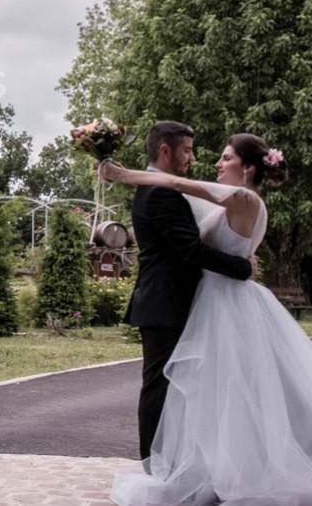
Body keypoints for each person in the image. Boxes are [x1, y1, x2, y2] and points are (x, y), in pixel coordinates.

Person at [102, 131, 312, 506]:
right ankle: (216, 466)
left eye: (226, 158)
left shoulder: (243, 198)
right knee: (221, 393)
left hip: (226, 302)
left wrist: (122, 174)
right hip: (214, 300)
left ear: (247, 169)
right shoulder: (228, 204)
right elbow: (181, 220)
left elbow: (177, 184)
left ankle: (240, 470)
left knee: (232, 391)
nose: (216, 163)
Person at [116, 121, 254, 465]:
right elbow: (190, 250)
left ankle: (170, 462)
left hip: (168, 301)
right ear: (166, 150)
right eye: (187, 150)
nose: (192, 158)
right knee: (160, 388)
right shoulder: (161, 192)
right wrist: (242, 269)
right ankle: (154, 465)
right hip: (166, 302)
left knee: (171, 387)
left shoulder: (158, 188)